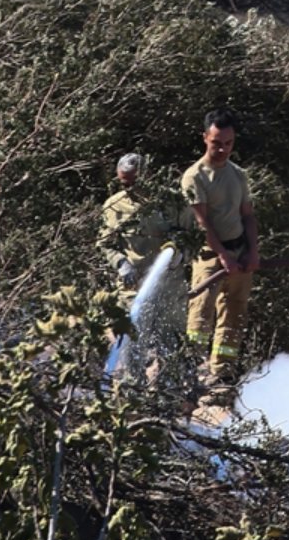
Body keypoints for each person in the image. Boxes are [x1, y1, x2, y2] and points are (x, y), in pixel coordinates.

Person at [180, 108, 260, 392]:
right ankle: (189, 373)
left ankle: (222, 375)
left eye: (228, 143)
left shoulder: (238, 175)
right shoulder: (194, 177)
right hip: (210, 256)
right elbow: (202, 223)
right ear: (205, 138)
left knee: (234, 312)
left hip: (239, 253)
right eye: (217, 142)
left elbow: (247, 215)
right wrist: (223, 257)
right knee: (200, 316)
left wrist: (252, 251)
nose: (223, 148)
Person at [96, 153, 190, 378]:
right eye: (124, 183)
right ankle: (133, 396)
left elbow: (192, 238)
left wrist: (181, 255)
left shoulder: (174, 203)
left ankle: (174, 393)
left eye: (134, 182)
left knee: (173, 342)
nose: (129, 188)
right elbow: (105, 243)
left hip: (170, 287)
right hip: (135, 288)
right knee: (133, 342)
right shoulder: (113, 206)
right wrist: (121, 263)